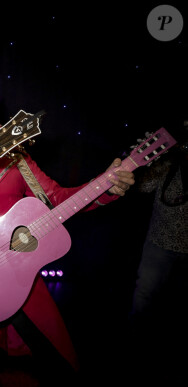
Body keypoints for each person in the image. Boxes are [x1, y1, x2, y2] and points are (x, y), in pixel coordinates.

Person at [0, 84, 136, 386]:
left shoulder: (15, 157)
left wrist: (105, 186)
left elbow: (56, 198)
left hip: (15, 269)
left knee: (62, 363)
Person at [127, 123, 187, 385]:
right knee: (143, 300)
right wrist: (141, 164)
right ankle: (134, 355)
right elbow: (140, 186)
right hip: (159, 244)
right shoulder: (170, 164)